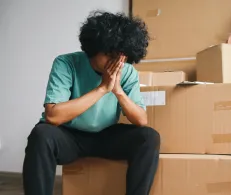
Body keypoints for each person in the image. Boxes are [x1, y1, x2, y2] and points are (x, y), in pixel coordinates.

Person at [22, 11, 160, 195]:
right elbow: (53, 116)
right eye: (110, 54)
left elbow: (141, 120)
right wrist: (102, 88)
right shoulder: (66, 63)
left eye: (121, 56)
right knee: (41, 134)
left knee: (149, 137)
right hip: (69, 135)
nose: (116, 62)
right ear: (93, 49)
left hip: (106, 135)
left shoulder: (127, 72)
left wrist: (117, 90)